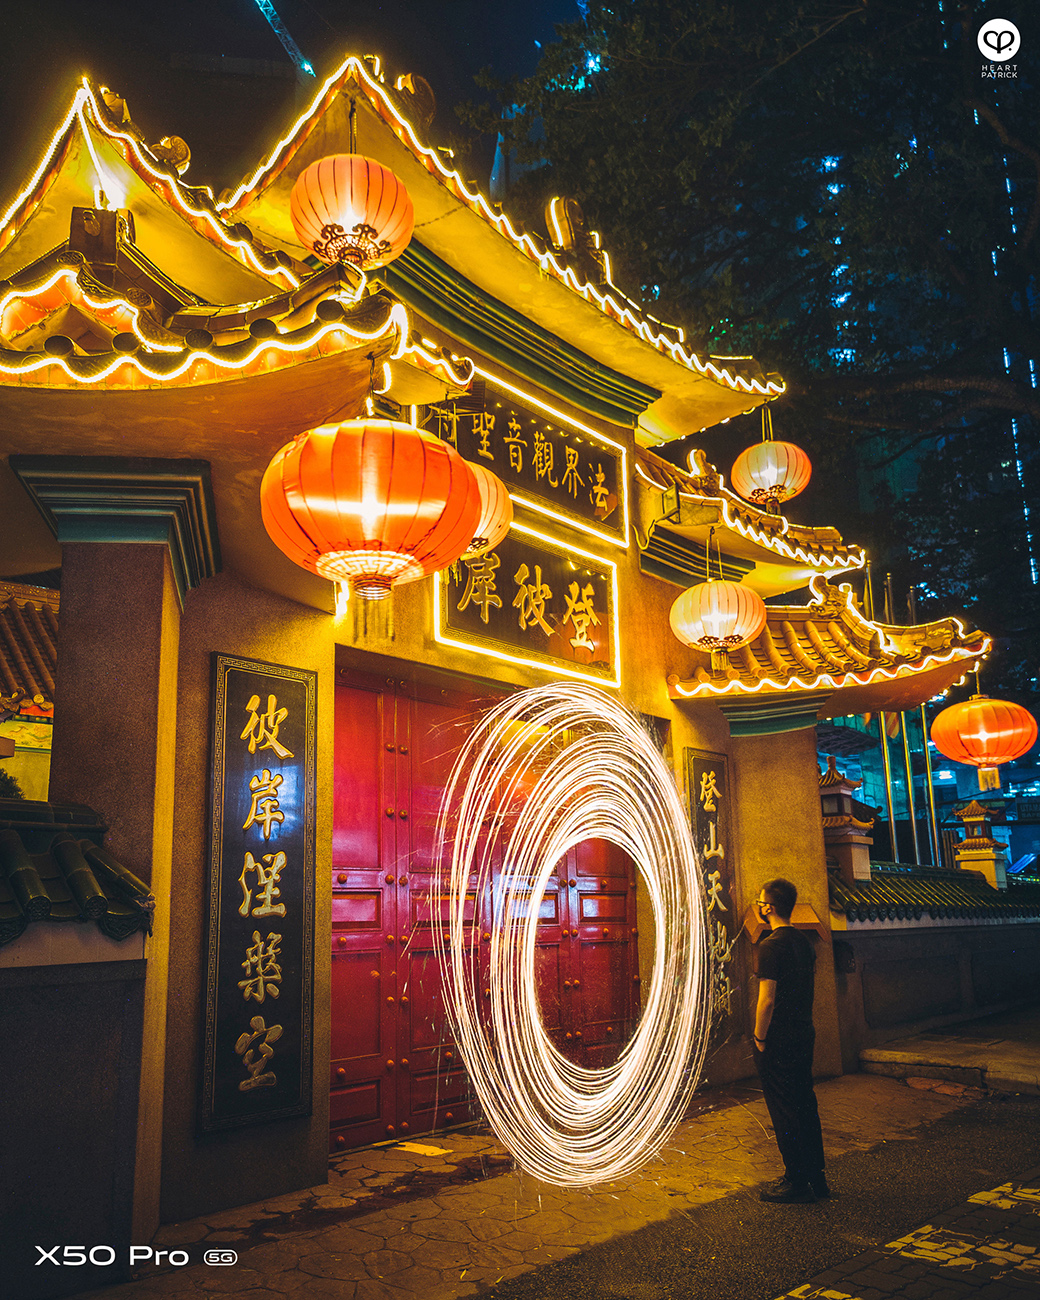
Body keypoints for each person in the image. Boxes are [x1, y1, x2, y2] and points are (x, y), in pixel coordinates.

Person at [752, 877, 829, 1204]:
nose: (758, 904)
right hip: (803, 1032)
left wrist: (759, 1036)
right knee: (805, 1103)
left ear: (768, 907)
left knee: (784, 1108)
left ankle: (795, 1179)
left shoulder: (770, 946)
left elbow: (767, 1000)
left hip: (779, 1038)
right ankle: (817, 1177)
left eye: (760, 900)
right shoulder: (803, 943)